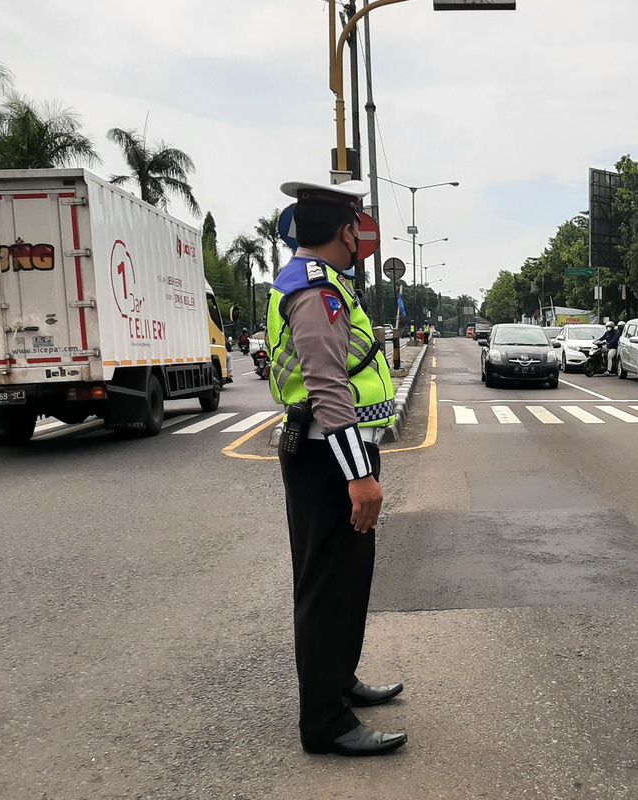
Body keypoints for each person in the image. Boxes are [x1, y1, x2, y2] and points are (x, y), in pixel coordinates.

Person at [266, 179, 407, 758]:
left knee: (347, 581)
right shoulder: (315, 291)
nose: (360, 238)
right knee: (328, 588)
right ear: (346, 231)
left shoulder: (318, 285)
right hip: (329, 456)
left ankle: (338, 682)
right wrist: (359, 475)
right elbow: (326, 387)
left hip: (333, 451)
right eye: (357, 227)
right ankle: (325, 722)